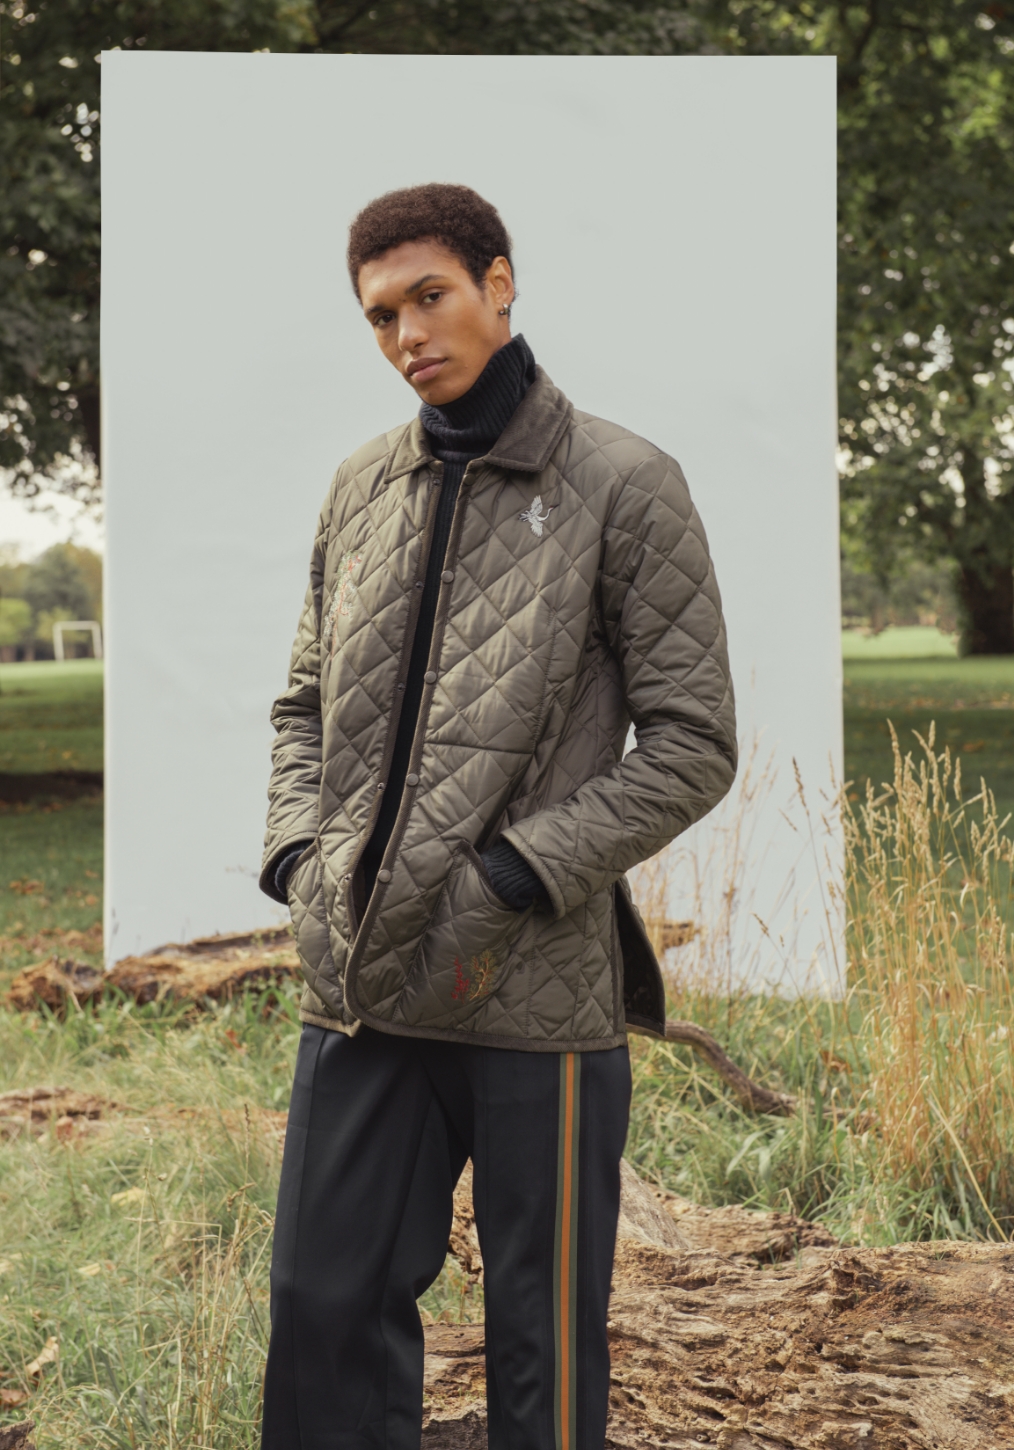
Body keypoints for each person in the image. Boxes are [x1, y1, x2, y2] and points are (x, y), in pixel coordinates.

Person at [259, 182, 737, 1450]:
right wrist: (301, 856)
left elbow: (693, 744)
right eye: (380, 316)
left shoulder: (627, 483)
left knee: (544, 1341)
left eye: (430, 296)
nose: (407, 334)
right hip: (360, 982)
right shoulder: (360, 487)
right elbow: (302, 706)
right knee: (320, 1306)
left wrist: (518, 875)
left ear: (500, 283)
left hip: (533, 990)